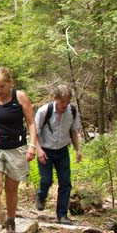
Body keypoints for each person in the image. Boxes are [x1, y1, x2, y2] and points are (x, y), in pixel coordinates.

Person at [0, 67, 44, 233]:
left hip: (17, 147)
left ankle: (10, 221)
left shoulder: (20, 97)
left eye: (2, 86)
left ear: (10, 83)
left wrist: (32, 146)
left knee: (11, 188)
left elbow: (31, 123)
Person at [34, 84, 82, 225]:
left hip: (62, 150)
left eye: (67, 101)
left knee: (66, 183)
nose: (65, 105)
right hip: (45, 150)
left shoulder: (72, 111)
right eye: (62, 102)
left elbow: (73, 131)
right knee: (46, 180)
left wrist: (78, 149)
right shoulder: (44, 111)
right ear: (55, 99)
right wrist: (39, 150)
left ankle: (62, 215)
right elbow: (34, 132)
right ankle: (41, 195)